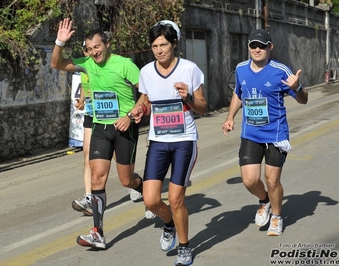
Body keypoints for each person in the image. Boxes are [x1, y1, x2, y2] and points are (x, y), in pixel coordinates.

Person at [51, 18, 143, 249]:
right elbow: (57, 64)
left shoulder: (125, 64)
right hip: (101, 127)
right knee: (96, 177)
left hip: (124, 127)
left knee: (126, 180)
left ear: (107, 44)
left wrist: (131, 115)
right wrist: (59, 42)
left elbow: (147, 91)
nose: (94, 52)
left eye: (97, 47)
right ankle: (97, 232)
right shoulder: (86, 64)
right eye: (90, 49)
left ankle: (145, 191)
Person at [130, 20, 207, 266]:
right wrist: (139, 110)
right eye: (154, 46)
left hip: (184, 140)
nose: (159, 50)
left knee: (175, 199)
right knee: (150, 200)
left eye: (163, 44)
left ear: (174, 44)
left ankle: (184, 247)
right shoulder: (146, 72)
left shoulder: (189, 69)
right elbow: (146, 100)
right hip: (158, 141)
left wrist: (189, 97)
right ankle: (169, 224)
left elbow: (203, 107)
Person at [222, 29, 308, 236]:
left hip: (275, 134)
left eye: (262, 45)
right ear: (249, 47)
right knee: (250, 180)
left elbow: (303, 99)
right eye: (253, 45)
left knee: (272, 181)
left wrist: (298, 88)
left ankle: (277, 217)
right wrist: (230, 117)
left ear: (270, 47)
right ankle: (264, 201)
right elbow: (238, 94)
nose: (257, 49)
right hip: (251, 133)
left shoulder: (280, 70)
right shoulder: (241, 69)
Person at [71, 47, 93, 216]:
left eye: (92, 48)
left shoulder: (106, 66)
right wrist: (82, 100)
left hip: (108, 116)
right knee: (87, 156)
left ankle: (135, 184)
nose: (88, 52)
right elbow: (86, 85)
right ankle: (89, 199)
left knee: (120, 163)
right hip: (91, 114)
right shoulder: (85, 67)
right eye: (85, 49)